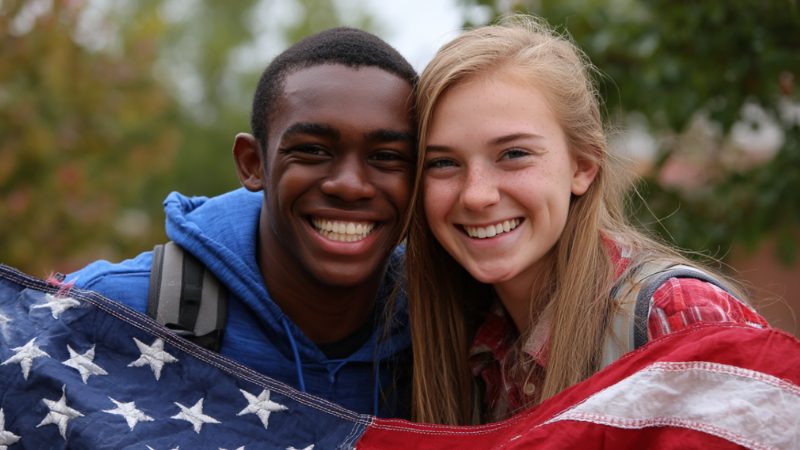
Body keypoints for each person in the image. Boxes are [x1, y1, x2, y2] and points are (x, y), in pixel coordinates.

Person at [405, 15, 769, 425]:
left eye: (513, 154)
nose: (476, 194)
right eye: (443, 162)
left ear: (583, 166)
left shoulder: (673, 319)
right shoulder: (467, 338)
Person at [65, 27, 417, 417]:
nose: (350, 186)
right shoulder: (107, 310)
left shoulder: (454, 334)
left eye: (388, 156)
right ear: (253, 164)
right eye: (312, 151)